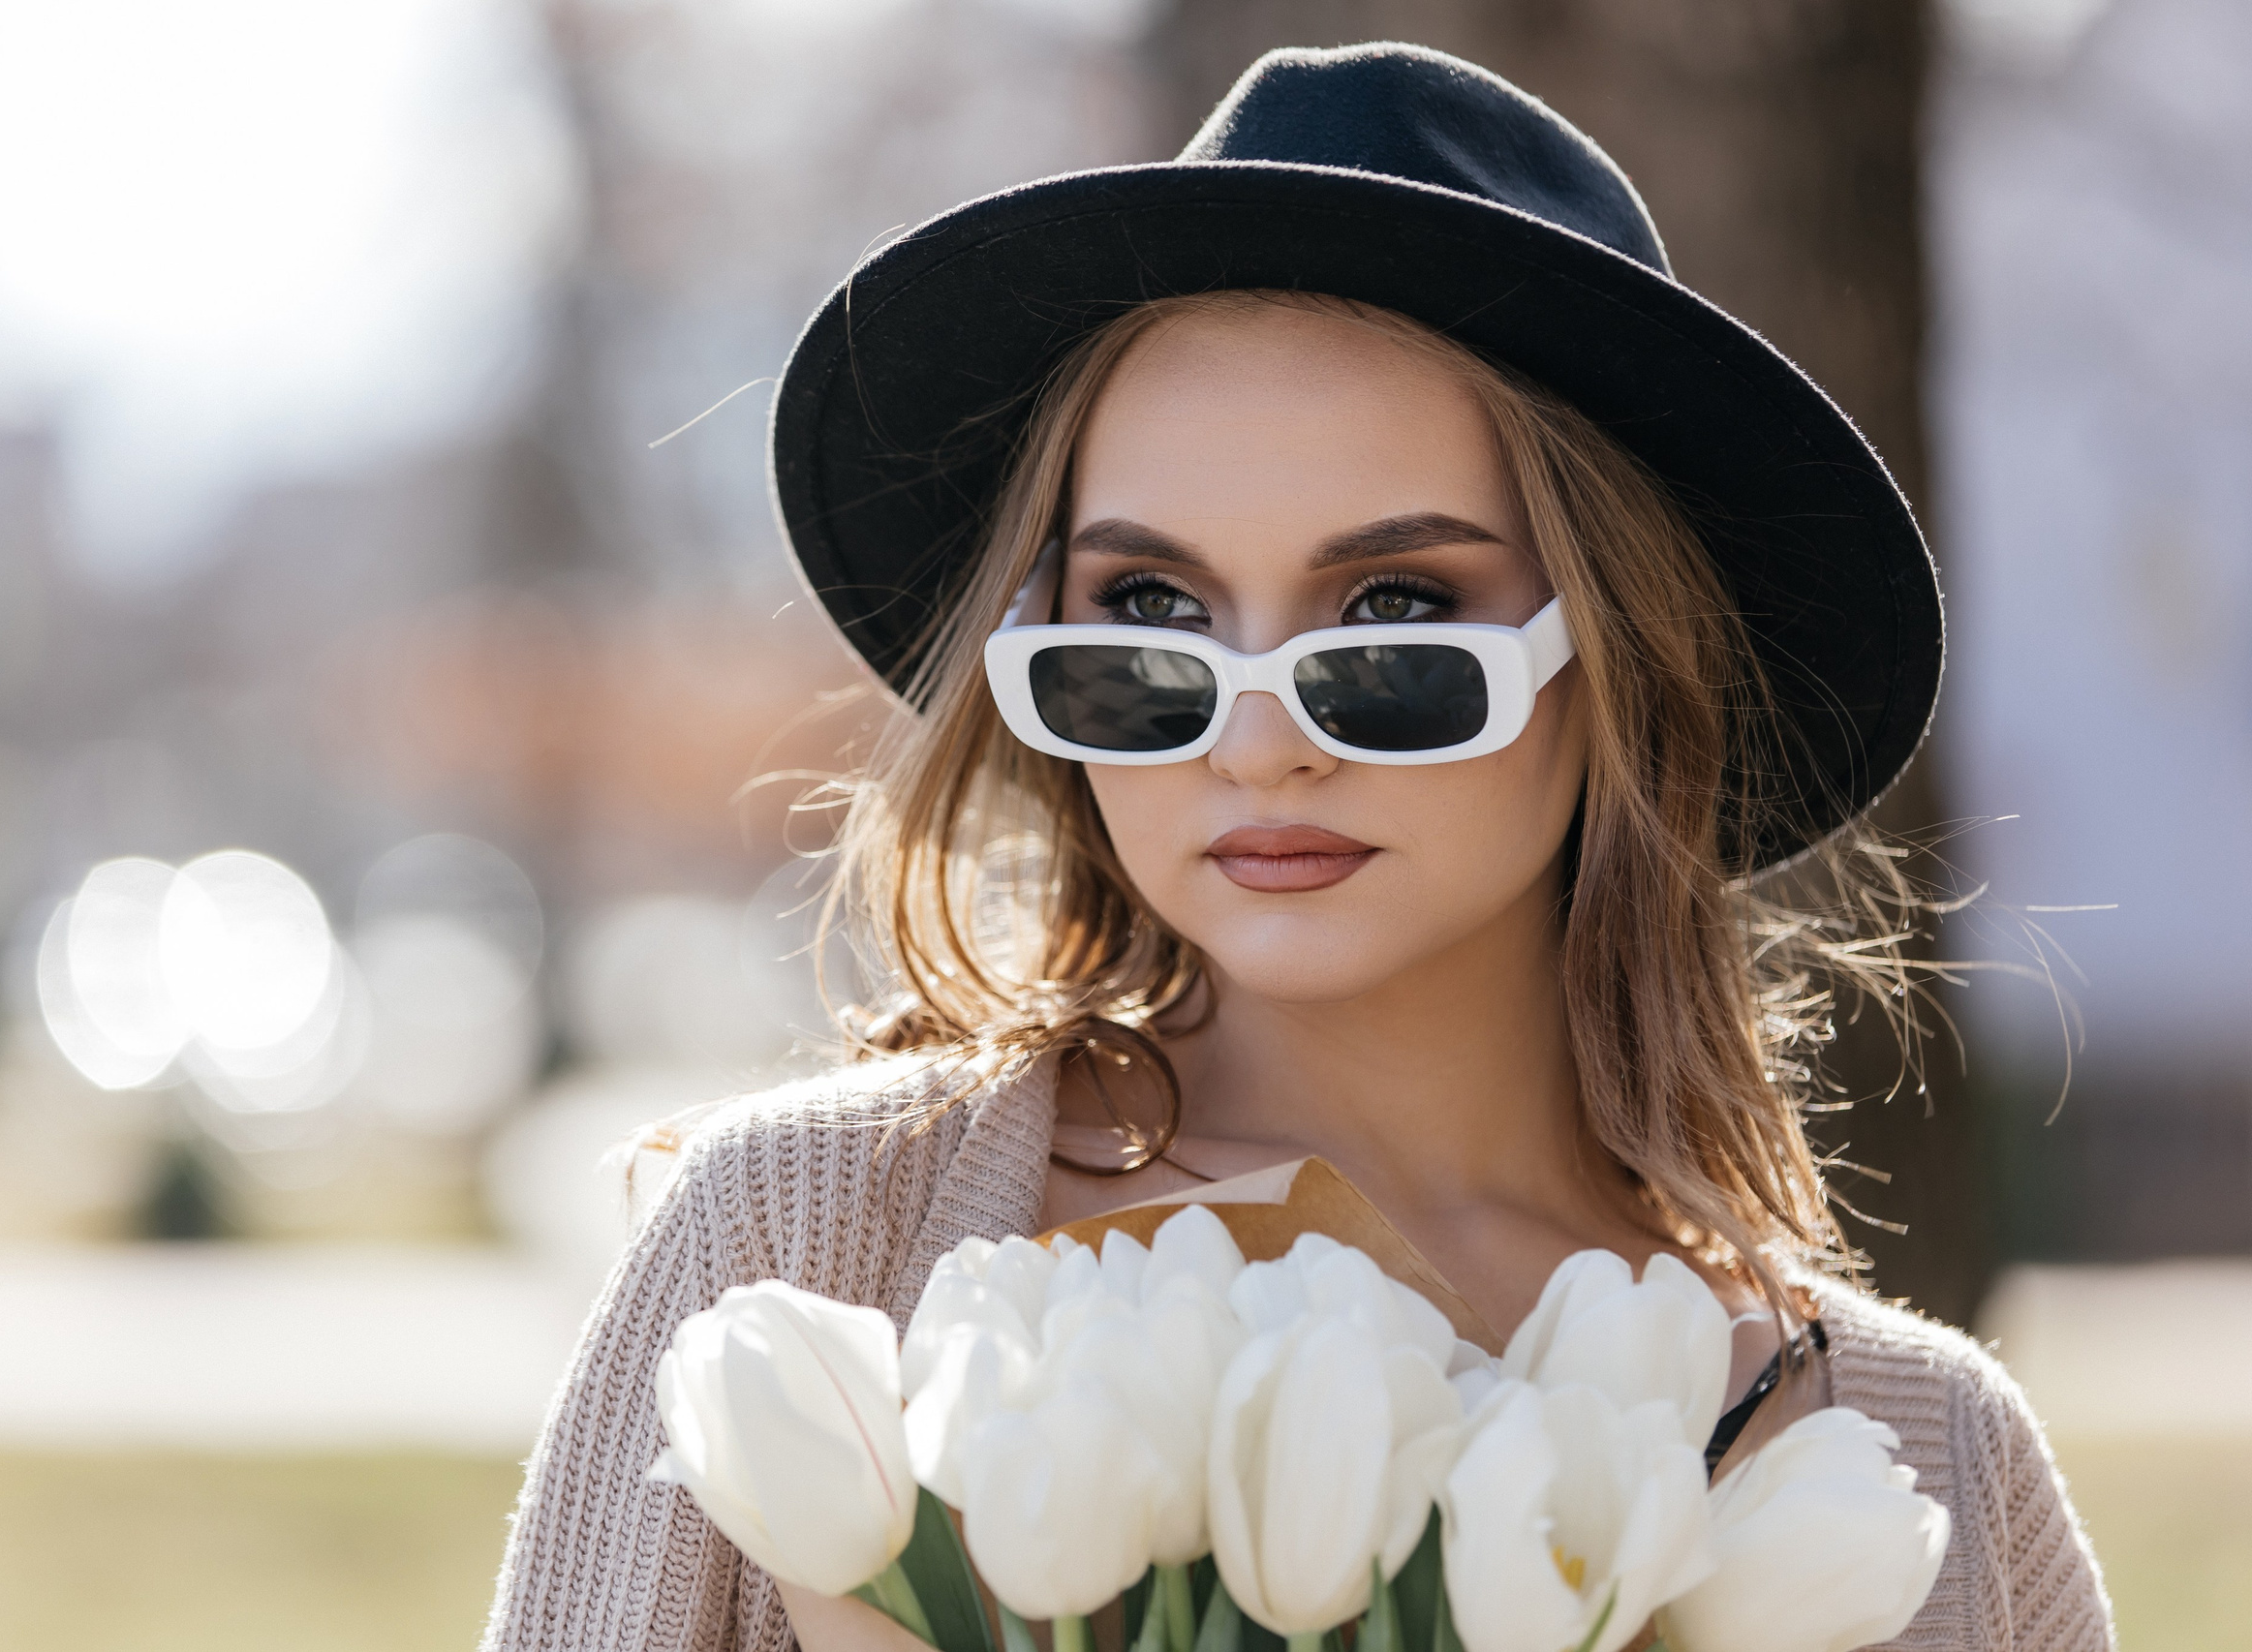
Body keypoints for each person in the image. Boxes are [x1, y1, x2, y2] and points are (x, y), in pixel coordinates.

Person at [481, 43, 2113, 1652]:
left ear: (1622, 660)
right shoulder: (807, 1258)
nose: (1257, 739)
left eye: (1394, 618)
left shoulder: (1919, 1475)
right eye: (1151, 616)